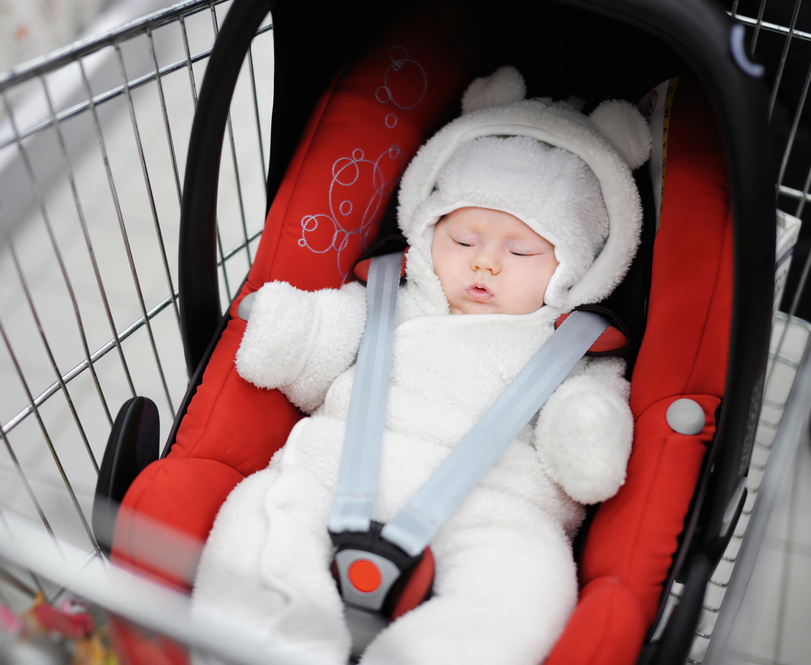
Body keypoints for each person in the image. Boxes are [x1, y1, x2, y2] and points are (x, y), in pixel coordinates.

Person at [190, 66, 650, 665]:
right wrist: (294, 330)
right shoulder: (388, 299)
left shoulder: (574, 350)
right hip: (335, 471)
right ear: (427, 230)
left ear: (579, 265)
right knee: (259, 516)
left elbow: (584, 429)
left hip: (496, 508)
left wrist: (586, 428)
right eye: (463, 240)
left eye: (521, 251)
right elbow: (330, 338)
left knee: (525, 586)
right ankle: (271, 645)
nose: (485, 263)